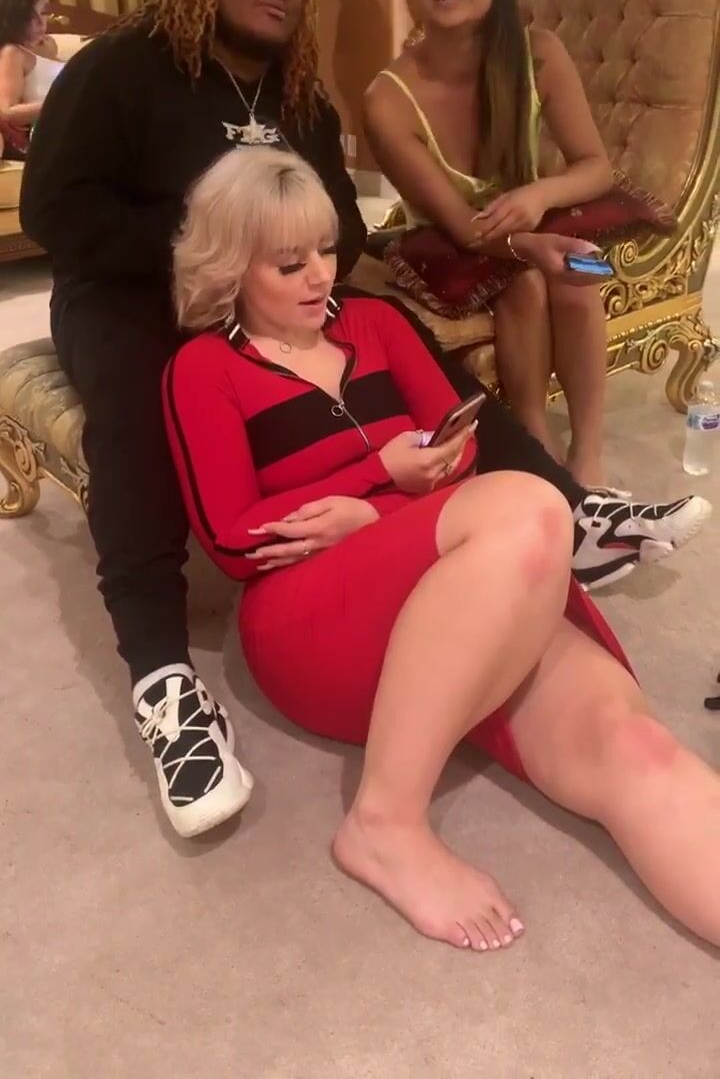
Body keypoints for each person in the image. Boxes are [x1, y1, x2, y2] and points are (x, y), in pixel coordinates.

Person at [19, 0, 709, 839]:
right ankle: (166, 683)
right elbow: (56, 213)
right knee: (139, 407)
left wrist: (281, 266)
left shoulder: (300, 98)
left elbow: (340, 227)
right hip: (132, 295)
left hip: (264, 292)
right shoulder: (122, 67)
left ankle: (567, 508)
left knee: (392, 327)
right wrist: (212, 247)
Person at [164, 147, 719, 951]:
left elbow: (462, 447)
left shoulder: (374, 322)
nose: (320, 276)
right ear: (231, 267)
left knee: (632, 743)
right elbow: (230, 539)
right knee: (533, 509)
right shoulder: (204, 369)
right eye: (289, 264)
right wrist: (373, 483)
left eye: (326, 250)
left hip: (461, 590)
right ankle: (383, 823)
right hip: (314, 624)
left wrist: (389, 499)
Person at [365, 0, 620, 486]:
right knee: (524, 282)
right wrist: (529, 245)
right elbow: (462, 226)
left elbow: (596, 167)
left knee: (579, 274)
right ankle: (535, 441)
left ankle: (588, 453)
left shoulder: (539, 53)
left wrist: (539, 196)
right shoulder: (387, 100)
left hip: (525, 217)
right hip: (444, 240)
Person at [0, 0, 63, 151]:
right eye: (29, 16)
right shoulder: (12, 53)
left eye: (43, 13)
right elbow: (6, 112)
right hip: (52, 135)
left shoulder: (43, 48)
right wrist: (66, 100)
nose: (40, 23)